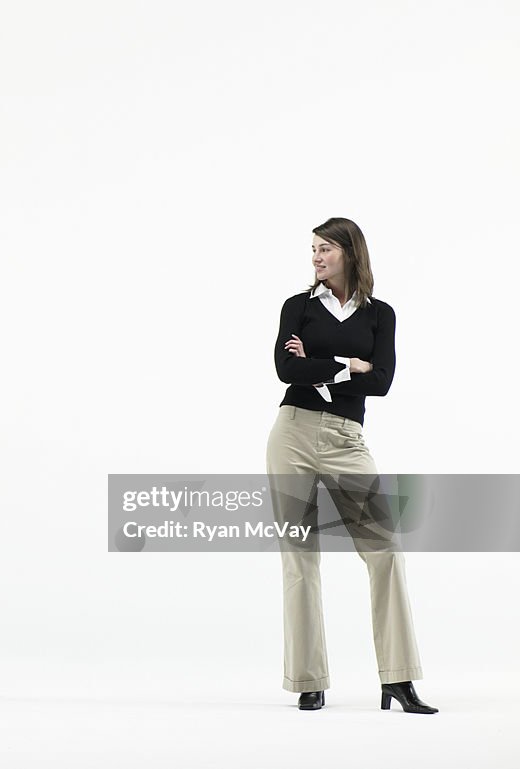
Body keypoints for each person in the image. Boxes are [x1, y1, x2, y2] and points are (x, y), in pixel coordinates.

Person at [265, 217, 437, 714]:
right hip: (292, 432)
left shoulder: (380, 314)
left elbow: (381, 381)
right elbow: (285, 369)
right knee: (300, 556)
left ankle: (398, 680)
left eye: (326, 249)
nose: (316, 257)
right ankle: (308, 680)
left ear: (349, 253)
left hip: (347, 438)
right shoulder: (296, 307)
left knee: (384, 549)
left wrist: (320, 364)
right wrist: (348, 366)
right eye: (312, 249)